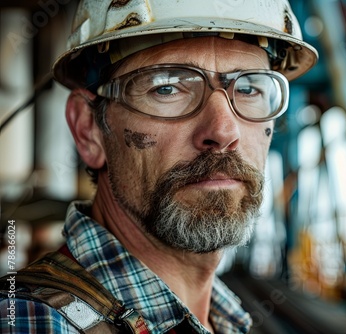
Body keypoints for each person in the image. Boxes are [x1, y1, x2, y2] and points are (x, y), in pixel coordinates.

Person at [0, 0, 317, 333]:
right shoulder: (32, 323)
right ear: (88, 130)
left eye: (250, 88)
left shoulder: (225, 320)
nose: (225, 132)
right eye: (167, 87)